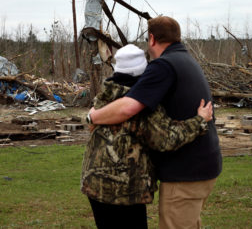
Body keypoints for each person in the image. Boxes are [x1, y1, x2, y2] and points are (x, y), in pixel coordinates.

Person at [88, 17, 222, 229]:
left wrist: (92, 117)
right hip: (139, 187)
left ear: (151, 38)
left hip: (98, 185)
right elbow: (162, 135)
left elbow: (127, 108)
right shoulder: (184, 60)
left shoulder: (105, 96)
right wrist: (200, 120)